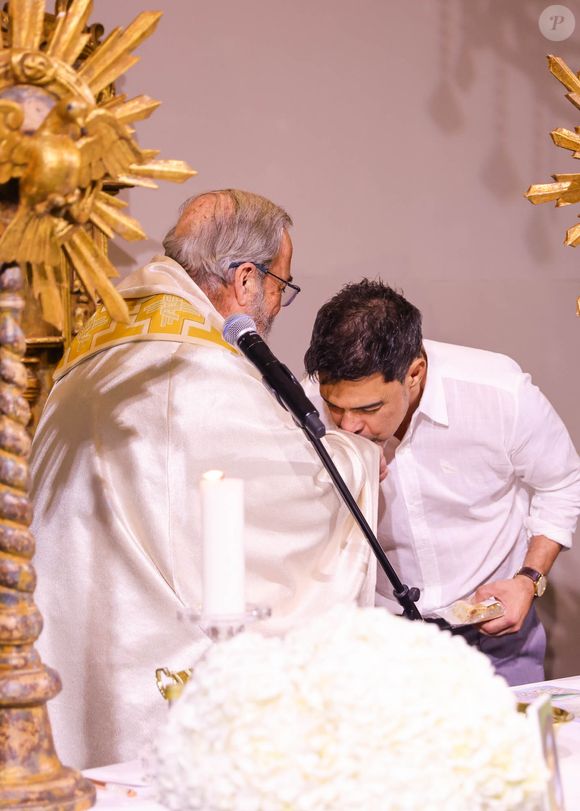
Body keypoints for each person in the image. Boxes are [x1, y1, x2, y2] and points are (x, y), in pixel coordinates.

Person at [30, 190, 380, 768]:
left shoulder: (101, 339)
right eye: (280, 285)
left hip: (67, 628)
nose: (276, 304)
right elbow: (298, 496)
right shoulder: (194, 367)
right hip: (152, 651)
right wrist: (358, 458)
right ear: (245, 279)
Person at [304, 279, 580, 686]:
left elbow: (562, 483)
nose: (349, 425)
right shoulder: (309, 407)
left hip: (495, 637)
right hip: (381, 642)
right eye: (335, 406)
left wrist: (530, 579)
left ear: (413, 373)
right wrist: (340, 476)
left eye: (369, 408)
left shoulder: (498, 393)